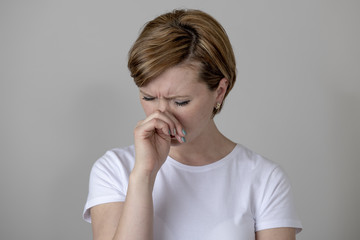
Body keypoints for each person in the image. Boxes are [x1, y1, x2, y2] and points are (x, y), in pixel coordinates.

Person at [83, 9, 302, 240]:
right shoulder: (114, 169)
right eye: (148, 97)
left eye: (180, 101)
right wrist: (144, 175)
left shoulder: (264, 179)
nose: (160, 115)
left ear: (219, 91)